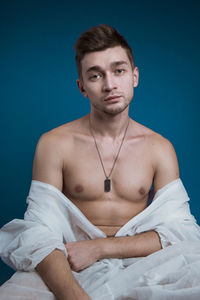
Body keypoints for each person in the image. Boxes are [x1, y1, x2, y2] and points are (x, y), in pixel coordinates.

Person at [1, 24, 200, 300]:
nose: (109, 84)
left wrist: (100, 248)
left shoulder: (159, 148)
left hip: (142, 262)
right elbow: (39, 233)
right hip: (70, 261)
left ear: (135, 76)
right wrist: (74, 296)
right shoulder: (54, 144)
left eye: (118, 71)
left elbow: (181, 230)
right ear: (82, 87)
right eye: (95, 76)